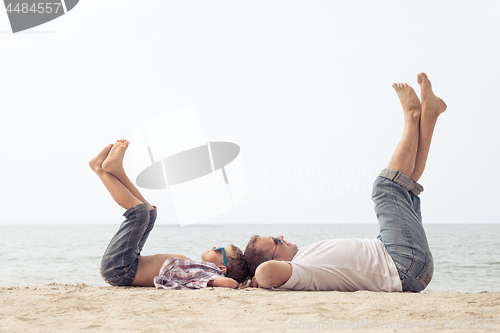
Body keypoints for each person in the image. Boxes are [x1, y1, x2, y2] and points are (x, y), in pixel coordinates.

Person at [244, 72, 447, 293]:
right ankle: (413, 115)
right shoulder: (299, 271)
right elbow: (267, 273)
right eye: (275, 240)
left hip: (396, 257)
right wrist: (254, 277)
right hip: (401, 265)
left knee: (405, 183)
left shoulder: (304, 257)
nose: (281, 237)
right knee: (386, 187)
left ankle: (430, 116)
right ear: (276, 259)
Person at [89, 139, 249, 289]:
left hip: (119, 269)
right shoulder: (199, 268)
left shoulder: (208, 274)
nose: (214, 247)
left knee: (139, 213)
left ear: (222, 267)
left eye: (220, 250)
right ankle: (116, 170)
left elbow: (229, 283)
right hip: (128, 263)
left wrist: (242, 283)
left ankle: (99, 170)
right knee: (150, 212)